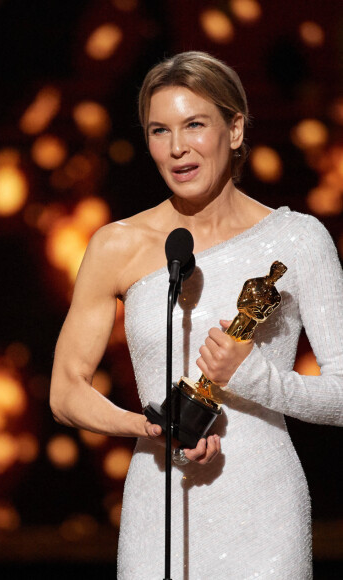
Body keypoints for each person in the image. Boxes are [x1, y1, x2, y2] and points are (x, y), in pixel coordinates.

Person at [49, 50, 343, 579]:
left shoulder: (298, 240)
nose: (177, 147)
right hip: (158, 503)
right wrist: (147, 426)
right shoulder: (118, 245)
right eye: (160, 130)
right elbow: (65, 392)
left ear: (234, 130)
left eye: (194, 125)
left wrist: (253, 377)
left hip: (264, 512)